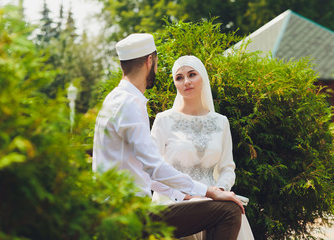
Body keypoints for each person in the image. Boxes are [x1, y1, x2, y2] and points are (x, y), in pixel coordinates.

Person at [92, 33, 245, 239]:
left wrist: (188, 195)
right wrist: (208, 191)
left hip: (118, 211)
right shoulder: (128, 104)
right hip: (130, 216)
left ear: (122, 65)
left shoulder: (116, 100)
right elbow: (154, 167)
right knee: (229, 211)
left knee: (220, 209)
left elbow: (146, 172)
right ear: (150, 61)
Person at [151, 55, 254, 240]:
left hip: (212, 203)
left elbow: (227, 168)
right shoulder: (163, 121)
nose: (186, 82)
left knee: (231, 211)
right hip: (174, 203)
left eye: (192, 74)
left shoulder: (221, 122)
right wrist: (187, 198)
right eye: (179, 77)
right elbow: (152, 171)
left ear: (203, 78)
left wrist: (219, 192)